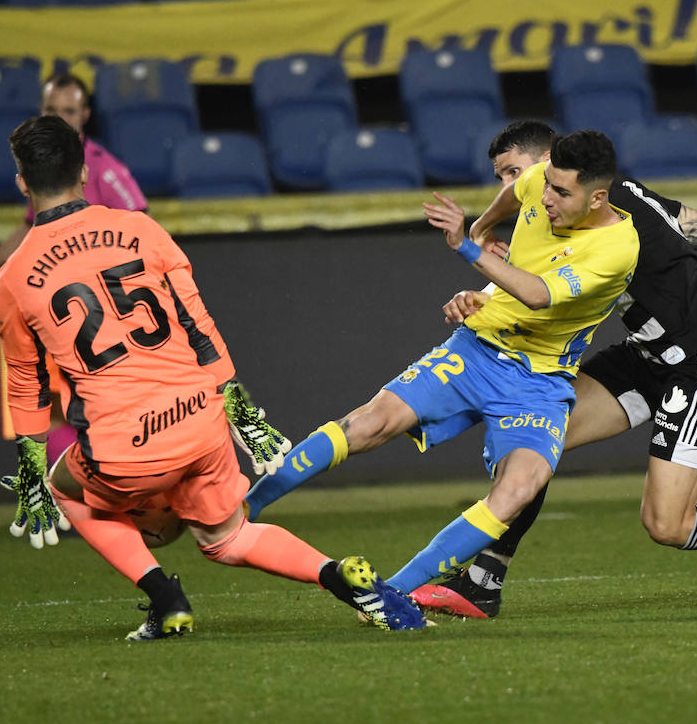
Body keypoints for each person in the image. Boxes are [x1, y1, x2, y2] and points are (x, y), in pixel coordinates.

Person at [0, 115, 423, 637]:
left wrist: (31, 470)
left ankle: (164, 596)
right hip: (201, 417)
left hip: (123, 444)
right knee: (228, 536)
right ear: (84, 172)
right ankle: (335, 575)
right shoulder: (141, 229)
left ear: (21, 182)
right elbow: (197, 322)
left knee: (65, 487)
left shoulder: (14, 277)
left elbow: (26, 382)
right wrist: (235, 402)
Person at [409, 120, 697, 619]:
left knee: (666, 525)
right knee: (536, 441)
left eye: (516, 174)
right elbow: (532, 290)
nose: (513, 190)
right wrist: (477, 286)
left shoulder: (618, 215)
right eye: (503, 179)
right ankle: (483, 581)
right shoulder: (566, 213)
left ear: (562, 172)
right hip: (641, 358)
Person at [244, 130, 640, 605]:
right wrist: (480, 228)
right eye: (548, 184)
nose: (546, 196)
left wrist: (466, 247)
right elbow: (517, 191)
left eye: (561, 192)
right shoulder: (539, 179)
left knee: (519, 489)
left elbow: (536, 294)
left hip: (539, 381)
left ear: (598, 197)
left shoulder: (618, 247)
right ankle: (240, 510)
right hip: (476, 350)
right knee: (371, 422)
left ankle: (390, 595)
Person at [0, 73, 149, 468]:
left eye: (69, 111)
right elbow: (27, 230)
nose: (61, 118)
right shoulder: (47, 173)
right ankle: (73, 501)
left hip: (102, 315)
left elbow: (142, 228)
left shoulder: (104, 170)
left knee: (100, 407)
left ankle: (114, 492)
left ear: (85, 115)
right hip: (59, 312)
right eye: (53, 110)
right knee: (52, 408)